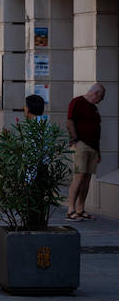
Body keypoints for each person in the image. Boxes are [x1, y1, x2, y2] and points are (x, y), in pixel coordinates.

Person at [66, 82, 104, 219]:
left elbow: (97, 129)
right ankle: (71, 209)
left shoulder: (94, 108)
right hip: (81, 145)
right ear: (96, 93)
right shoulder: (77, 102)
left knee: (87, 178)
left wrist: (98, 151)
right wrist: (75, 140)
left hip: (93, 147)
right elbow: (70, 121)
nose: (100, 101)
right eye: (101, 97)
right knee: (79, 176)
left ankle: (81, 208)